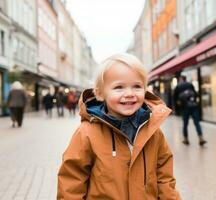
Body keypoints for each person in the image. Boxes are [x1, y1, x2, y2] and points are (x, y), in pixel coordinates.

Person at [57, 53, 181, 199]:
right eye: (119, 87)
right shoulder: (87, 133)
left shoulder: (153, 131)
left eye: (136, 86)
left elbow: (165, 178)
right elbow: (71, 182)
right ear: (100, 93)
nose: (129, 93)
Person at [173, 75, 207, 146]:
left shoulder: (178, 86)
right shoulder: (190, 84)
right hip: (194, 106)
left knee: (185, 124)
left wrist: (177, 108)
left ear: (180, 79)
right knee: (197, 123)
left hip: (184, 108)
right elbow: (196, 94)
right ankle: (201, 138)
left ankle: (186, 139)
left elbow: (175, 98)